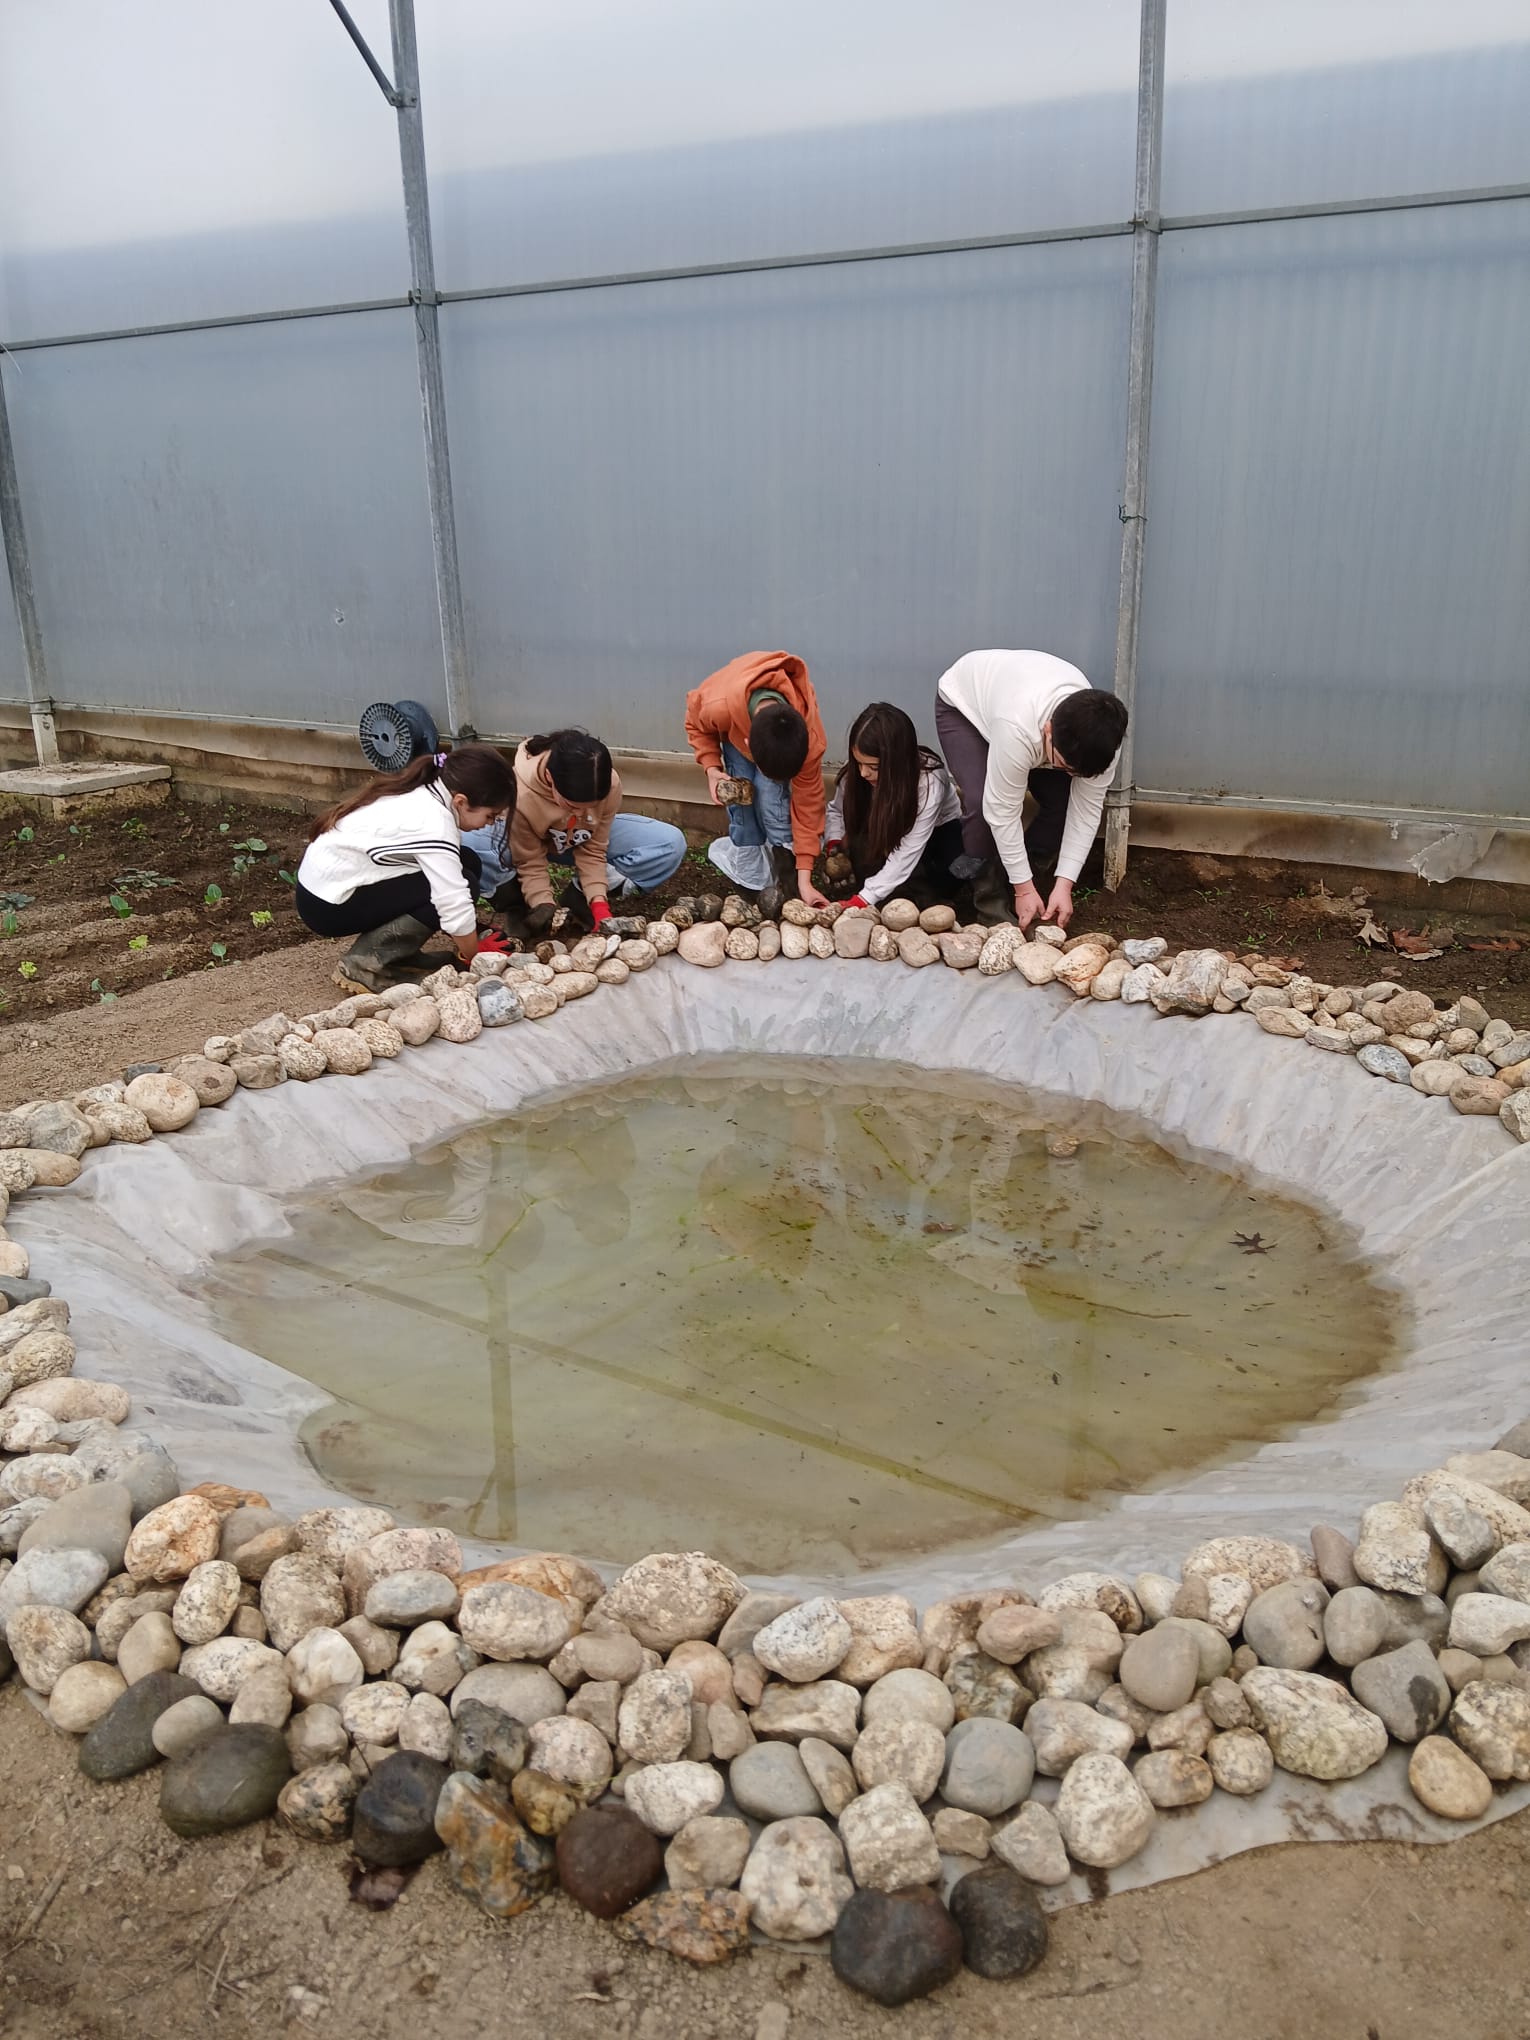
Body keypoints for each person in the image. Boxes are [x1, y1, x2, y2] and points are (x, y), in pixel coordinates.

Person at [934, 649, 1128, 930]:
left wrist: (1065, 884)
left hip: (1012, 704)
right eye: (1063, 765)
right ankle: (990, 903)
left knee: (1061, 801)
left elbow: (1085, 810)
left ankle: (1026, 877)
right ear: (1048, 730)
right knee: (980, 801)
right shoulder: (1018, 727)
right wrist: (1022, 889)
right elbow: (1001, 811)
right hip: (965, 707)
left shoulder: (1104, 739)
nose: (1070, 775)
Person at [296, 744, 516, 991]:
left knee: (468, 861)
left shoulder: (427, 788)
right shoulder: (434, 823)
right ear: (461, 801)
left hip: (327, 885)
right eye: (490, 816)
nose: (488, 825)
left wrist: (468, 933)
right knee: (464, 882)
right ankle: (367, 965)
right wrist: (473, 957)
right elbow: (453, 901)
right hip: (327, 905)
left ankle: (399, 954)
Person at [460, 728, 686, 937]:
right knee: (472, 842)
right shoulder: (520, 794)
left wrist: (599, 905)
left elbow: (595, 847)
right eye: (572, 804)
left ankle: (578, 899)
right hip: (523, 845)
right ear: (550, 779)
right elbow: (529, 859)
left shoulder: (608, 783)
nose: (583, 813)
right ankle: (519, 909)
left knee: (668, 843)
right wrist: (543, 902)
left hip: (571, 841)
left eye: (592, 805)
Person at [684, 649, 830, 912]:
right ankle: (750, 884)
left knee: (771, 797)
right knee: (742, 800)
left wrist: (805, 877)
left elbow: (809, 807)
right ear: (749, 745)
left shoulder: (810, 738)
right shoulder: (718, 706)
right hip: (734, 719)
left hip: (759, 725)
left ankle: (787, 878)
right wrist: (712, 768)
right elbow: (695, 723)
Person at [823, 702, 964, 909]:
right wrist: (835, 845)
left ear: (897, 761)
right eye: (858, 763)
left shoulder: (930, 780)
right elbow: (835, 811)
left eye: (874, 767)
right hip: (886, 833)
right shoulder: (857, 772)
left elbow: (910, 849)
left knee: (941, 881)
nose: (863, 773)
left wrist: (862, 900)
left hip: (934, 838)